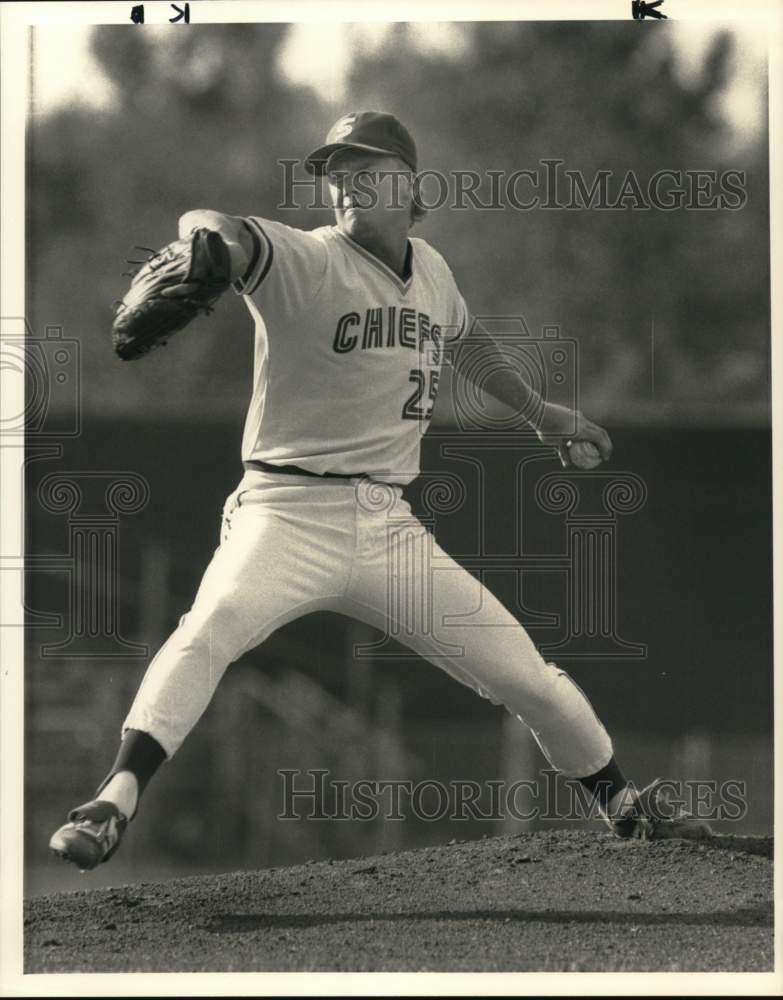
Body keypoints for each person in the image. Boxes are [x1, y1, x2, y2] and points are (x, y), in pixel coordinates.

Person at [50, 111, 710, 871]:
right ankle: (114, 799)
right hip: (284, 513)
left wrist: (539, 412)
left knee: (528, 676)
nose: (345, 180)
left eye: (366, 166)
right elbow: (221, 226)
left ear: (412, 184)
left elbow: (463, 339)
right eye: (335, 170)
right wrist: (204, 241)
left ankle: (626, 813)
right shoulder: (305, 259)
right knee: (210, 628)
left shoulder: (431, 269)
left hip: (386, 523)